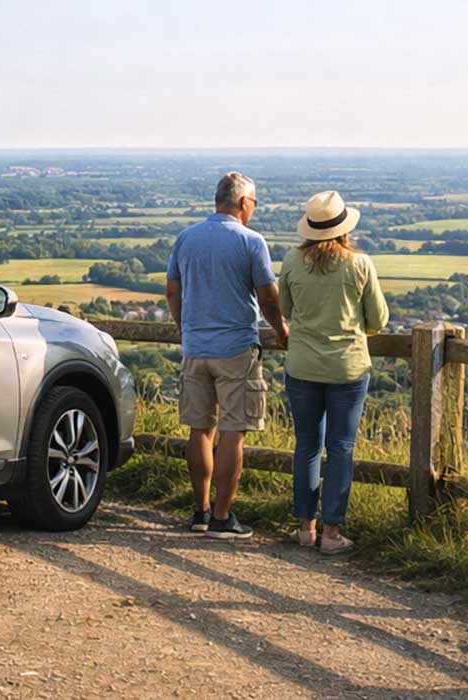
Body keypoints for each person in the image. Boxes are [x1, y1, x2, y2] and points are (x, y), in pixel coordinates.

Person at [165, 171, 289, 539]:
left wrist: (184, 326)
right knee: (233, 432)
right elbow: (268, 296)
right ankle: (222, 517)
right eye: (253, 203)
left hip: (195, 347)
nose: (253, 209)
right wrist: (281, 330)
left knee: (199, 430)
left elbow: (173, 290)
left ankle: (200, 511)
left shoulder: (186, 238)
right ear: (243, 203)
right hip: (236, 348)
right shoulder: (251, 241)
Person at [278, 191, 387, 555]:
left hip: (303, 366)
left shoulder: (292, 261)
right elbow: (379, 320)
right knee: (341, 448)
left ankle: (305, 528)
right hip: (347, 368)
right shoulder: (360, 265)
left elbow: (285, 309)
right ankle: (332, 533)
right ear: (344, 228)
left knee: (307, 446)